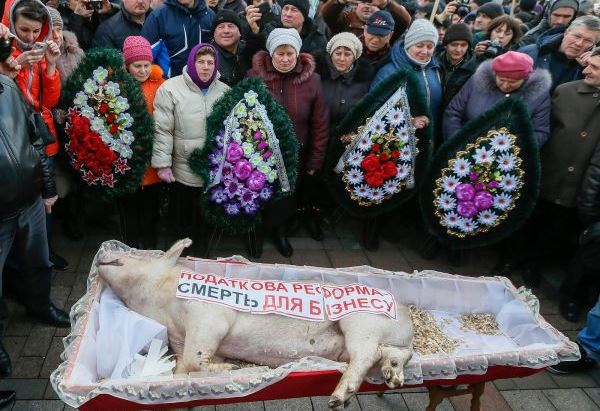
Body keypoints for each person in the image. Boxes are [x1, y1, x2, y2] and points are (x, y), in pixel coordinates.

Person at [0, 23, 70, 382]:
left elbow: (35, 139)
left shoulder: (9, 88)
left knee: (39, 261)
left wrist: (47, 188)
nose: (13, 60)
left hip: (28, 199)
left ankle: (41, 306)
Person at [523, 47, 600, 296]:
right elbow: (543, 128)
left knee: (555, 232)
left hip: (580, 185)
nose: (586, 70)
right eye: (588, 64)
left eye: (595, 67)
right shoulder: (565, 92)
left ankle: (535, 266)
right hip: (549, 174)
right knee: (528, 224)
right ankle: (512, 261)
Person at [247, 28, 329, 256]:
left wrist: (315, 159)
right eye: (280, 54)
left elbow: (320, 123)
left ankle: (279, 232)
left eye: (289, 54)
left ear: (297, 54)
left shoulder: (313, 81)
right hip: (260, 153)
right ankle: (256, 232)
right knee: (258, 192)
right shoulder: (253, 76)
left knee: (286, 197)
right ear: (271, 54)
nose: (285, 59)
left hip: (295, 154)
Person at [8, 0, 70, 269]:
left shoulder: (41, 50)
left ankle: (44, 253)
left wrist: (51, 66)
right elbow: (10, 97)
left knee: (47, 200)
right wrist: (16, 66)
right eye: (24, 30)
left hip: (41, 137)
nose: (31, 37)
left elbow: (50, 101)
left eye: (36, 31)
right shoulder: (5, 51)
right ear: (12, 24)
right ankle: (23, 261)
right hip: (14, 139)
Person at [152, 43, 229, 245]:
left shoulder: (225, 92)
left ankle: (201, 257)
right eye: (200, 62)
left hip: (212, 171)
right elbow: (163, 129)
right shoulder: (170, 89)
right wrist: (162, 164)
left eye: (210, 62)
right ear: (191, 63)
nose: (205, 67)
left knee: (204, 223)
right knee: (181, 221)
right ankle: (178, 255)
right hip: (182, 170)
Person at [443, 51, 551, 145]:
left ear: (525, 78)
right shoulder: (477, 81)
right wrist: (458, 142)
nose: (505, 85)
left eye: (512, 82)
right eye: (501, 80)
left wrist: (511, 151)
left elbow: (540, 131)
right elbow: (453, 112)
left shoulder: (539, 95)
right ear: (495, 74)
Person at [119, 36, 165, 249]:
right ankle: (129, 249)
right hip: (128, 161)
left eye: (147, 65)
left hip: (152, 160)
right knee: (129, 210)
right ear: (127, 66)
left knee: (151, 211)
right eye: (137, 66)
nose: (143, 70)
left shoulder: (160, 84)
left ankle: (150, 249)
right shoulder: (118, 86)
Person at [371, 19, 442, 134]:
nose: (424, 51)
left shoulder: (435, 69)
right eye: (419, 45)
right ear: (409, 44)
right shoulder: (389, 71)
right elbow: (374, 107)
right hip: (396, 138)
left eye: (430, 47)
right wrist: (409, 121)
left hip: (428, 138)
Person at [518, 15, 600, 93]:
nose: (579, 43)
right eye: (577, 36)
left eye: (588, 40)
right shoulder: (530, 52)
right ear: (566, 33)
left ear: (593, 45)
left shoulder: (589, 68)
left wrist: (587, 68)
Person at [141, 0, 216, 76]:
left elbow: (217, 52)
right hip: (168, 80)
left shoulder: (210, 16)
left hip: (202, 79)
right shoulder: (159, 15)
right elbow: (145, 55)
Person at [320, 0, 411, 44]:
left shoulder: (386, 22)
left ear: (379, 7)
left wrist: (387, 3)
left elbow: (405, 21)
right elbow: (326, 14)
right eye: (363, 2)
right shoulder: (345, 17)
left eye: (372, 4)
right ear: (356, 4)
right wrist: (340, 1)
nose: (367, 6)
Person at [211, 9, 261, 86]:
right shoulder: (209, 57)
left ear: (240, 32)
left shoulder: (249, 50)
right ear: (214, 34)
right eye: (221, 27)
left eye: (230, 26)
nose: (226, 31)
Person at [261, 0, 326, 56]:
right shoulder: (268, 32)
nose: (288, 14)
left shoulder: (317, 40)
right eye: (286, 8)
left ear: (304, 17)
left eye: (294, 10)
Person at [437, 22, 478, 108]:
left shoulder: (475, 69)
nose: (458, 49)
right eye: (454, 45)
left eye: (463, 45)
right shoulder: (434, 63)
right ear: (446, 45)